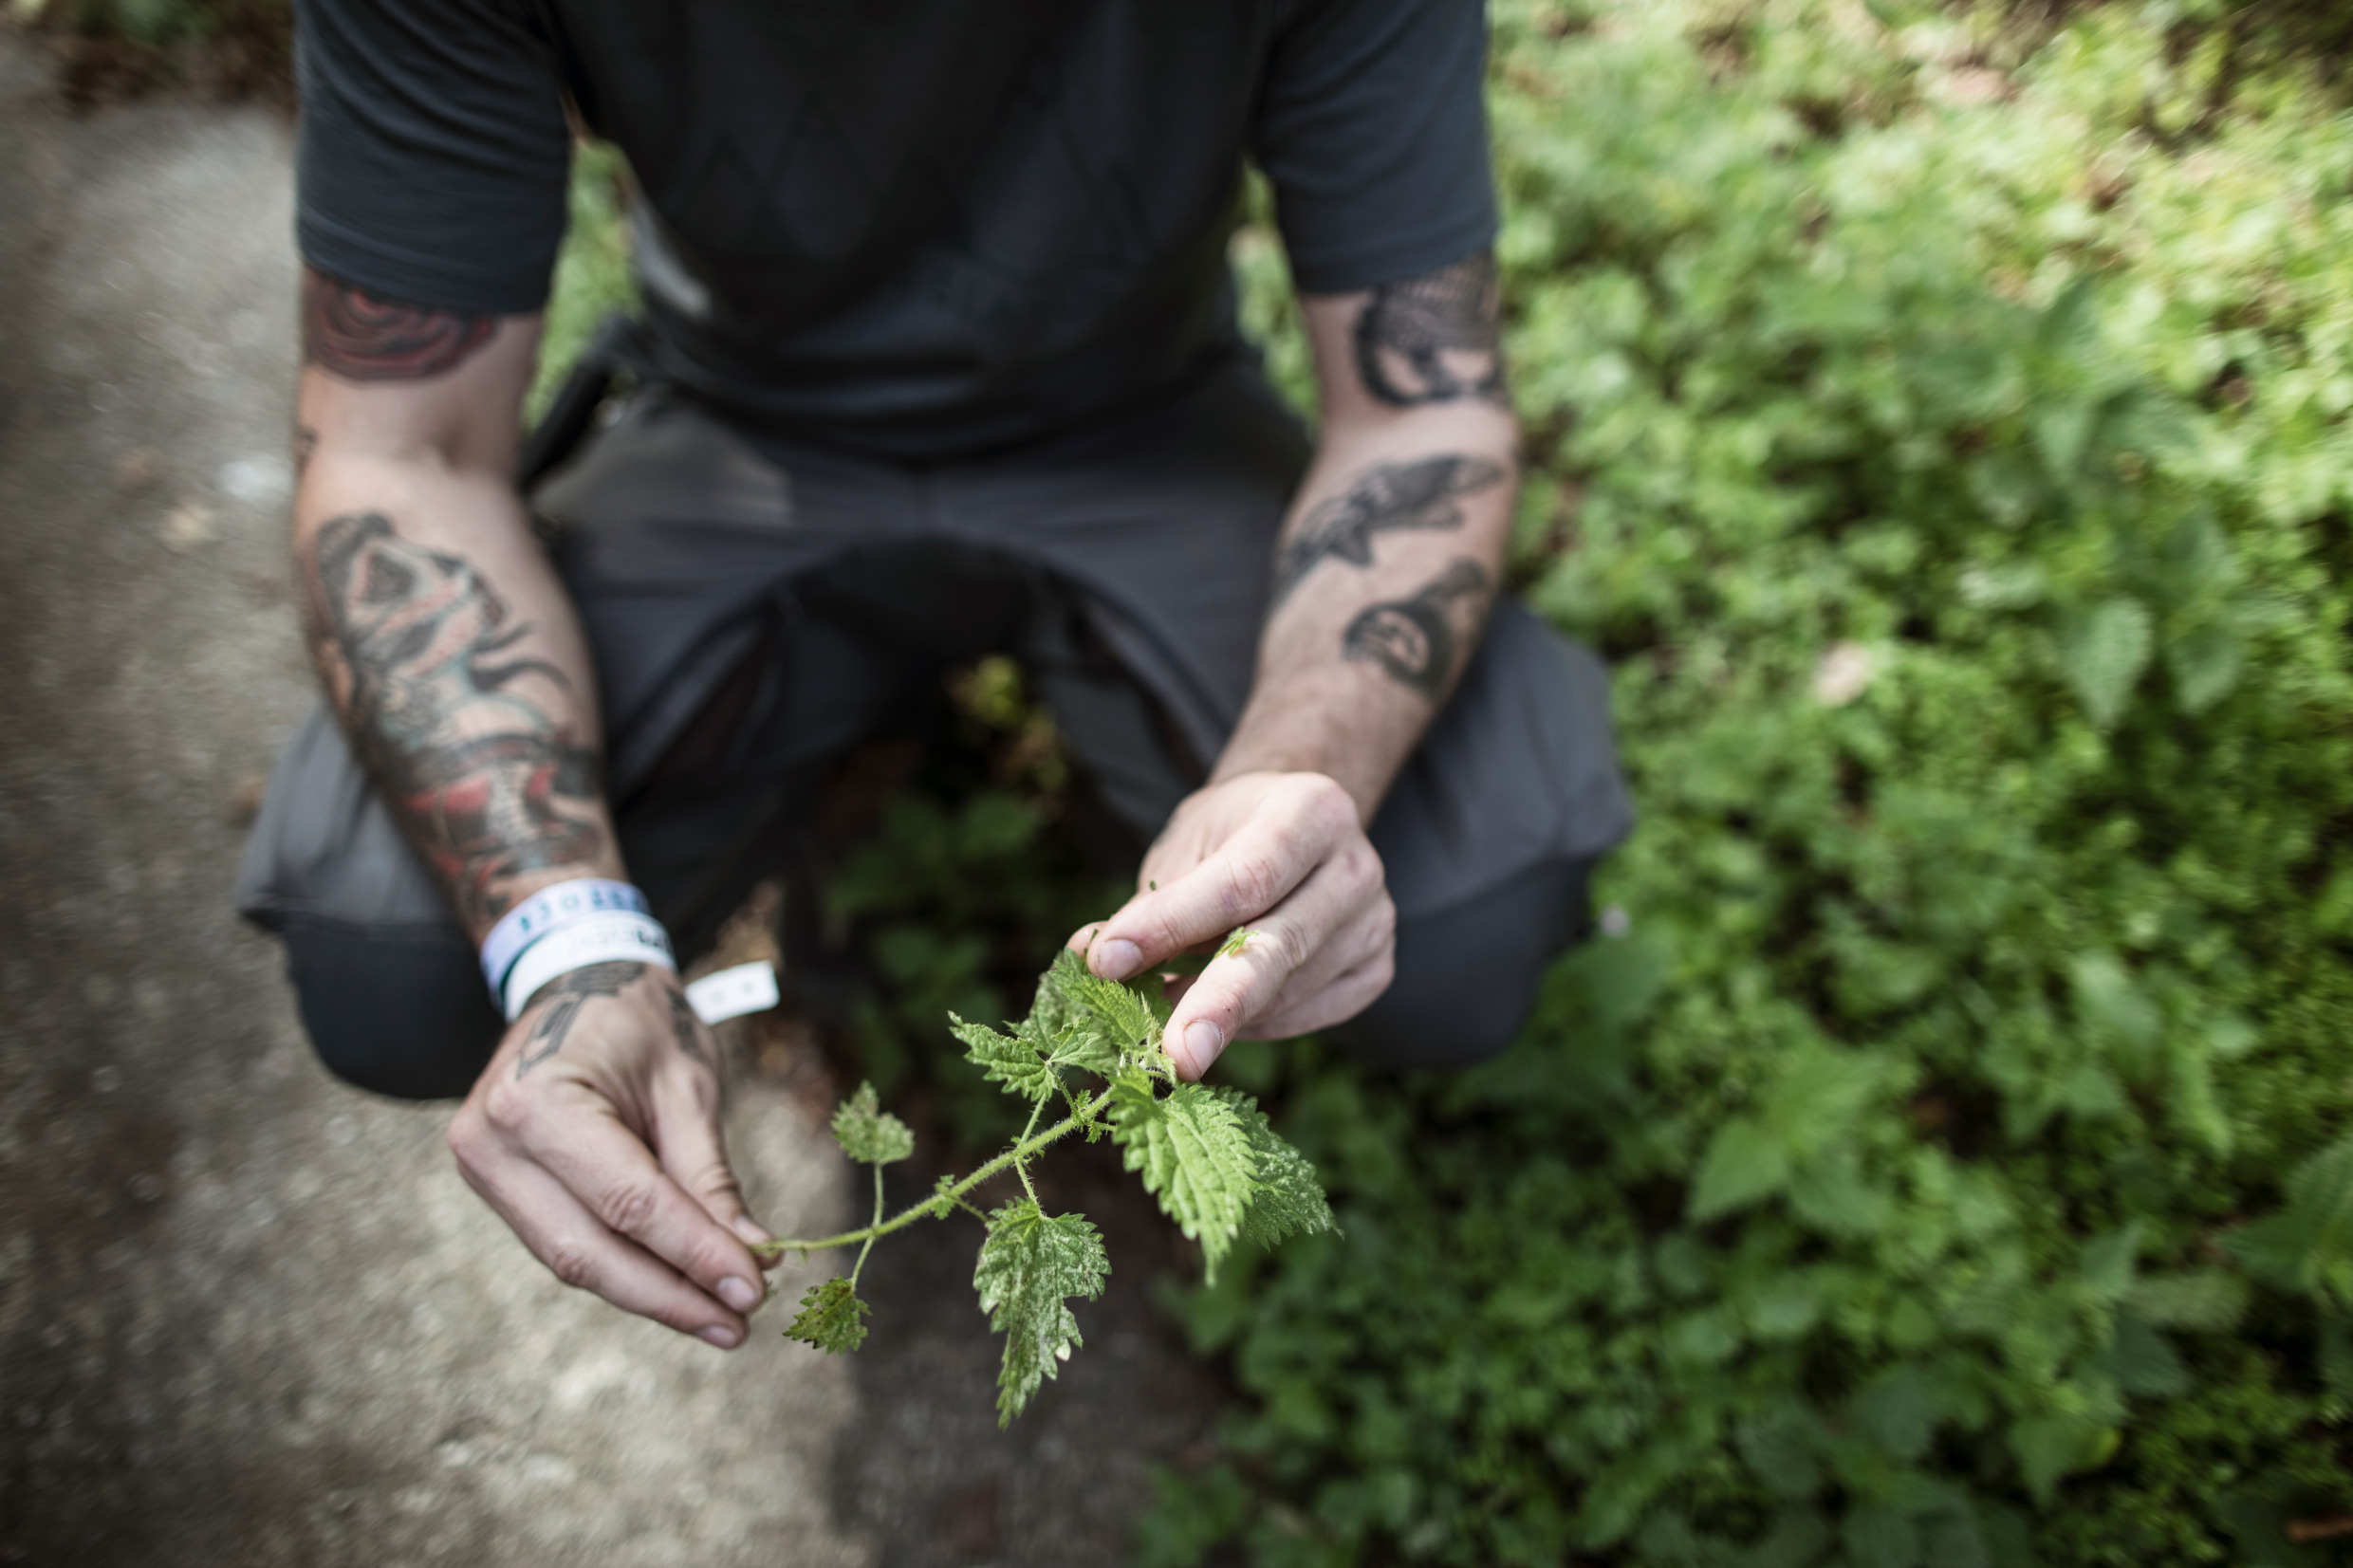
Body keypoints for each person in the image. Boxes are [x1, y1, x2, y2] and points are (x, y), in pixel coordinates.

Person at [237, 0, 1633, 1354]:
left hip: (1144, 425)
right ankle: (825, 733)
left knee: (1453, 916)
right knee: (401, 960)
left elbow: (1422, 407)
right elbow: (395, 454)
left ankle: (1123, 802)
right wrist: (569, 944)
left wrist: (1296, 767)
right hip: (738, 427)